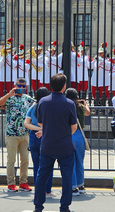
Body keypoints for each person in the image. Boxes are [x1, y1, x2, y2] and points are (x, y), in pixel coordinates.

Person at [33, 73, 77, 212]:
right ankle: (64, 207)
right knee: (67, 177)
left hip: (47, 144)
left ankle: (38, 206)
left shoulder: (43, 102)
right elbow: (74, 127)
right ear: (64, 87)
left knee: (41, 176)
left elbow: (40, 122)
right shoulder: (69, 103)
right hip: (65, 145)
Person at [0, 78, 33, 192]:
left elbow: (38, 105)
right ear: (15, 85)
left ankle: (23, 182)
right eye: (19, 86)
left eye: (23, 86)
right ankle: (11, 183)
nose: (21, 88)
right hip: (11, 134)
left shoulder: (28, 99)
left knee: (25, 159)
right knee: (11, 160)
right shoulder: (10, 98)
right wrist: (9, 94)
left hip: (24, 134)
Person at [24, 87, 55, 198]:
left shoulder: (33, 107)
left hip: (33, 136)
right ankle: (47, 190)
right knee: (48, 165)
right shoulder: (49, 106)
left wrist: (37, 129)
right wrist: (43, 130)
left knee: (36, 165)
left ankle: (38, 190)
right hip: (46, 136)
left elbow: (26, 123)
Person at [65, 88, 91, 196]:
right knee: (79, 161)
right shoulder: (80, 107)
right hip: (80, 134)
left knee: (71, 162)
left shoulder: (66, 106)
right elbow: (88, 113)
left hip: (69, 134)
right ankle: (81, 186)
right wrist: (85, 103)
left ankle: (73, 187)